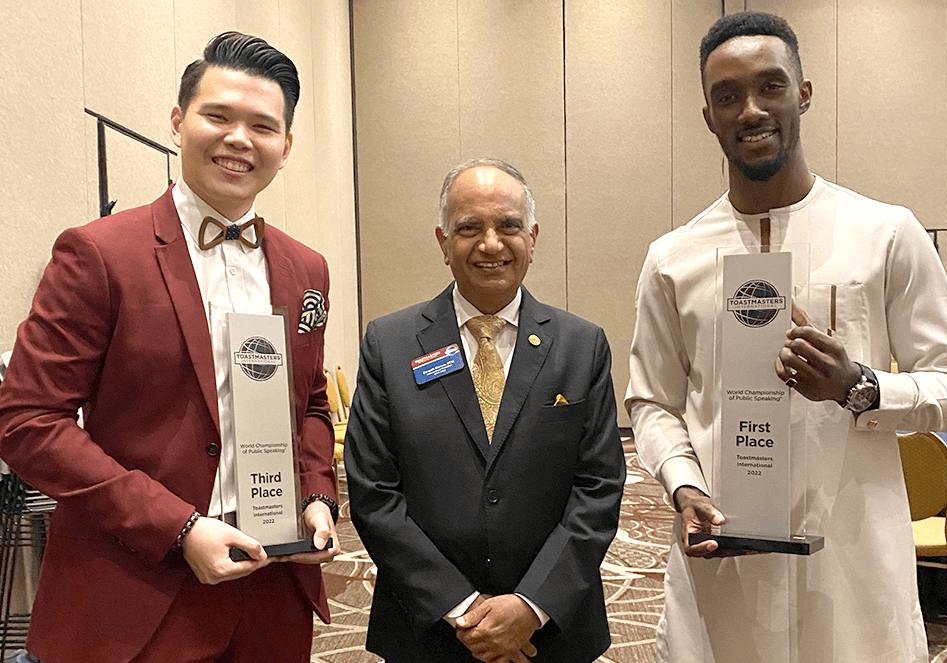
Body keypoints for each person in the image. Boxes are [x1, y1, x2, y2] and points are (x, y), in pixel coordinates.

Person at [625, 11, 947, 663]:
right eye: (727, 96)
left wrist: (861, 386)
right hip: (722, 566)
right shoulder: (673, 259)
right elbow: (651, 402)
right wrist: (683, 484)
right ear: (708, 116)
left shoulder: (885, 235)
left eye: (771, 86)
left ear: (804, 93)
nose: (751, 109)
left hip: (849, 569)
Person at [0, 32, 340, 663]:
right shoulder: (99, 254)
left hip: (270, 598)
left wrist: (317, 494)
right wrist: (177, 527)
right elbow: (27, 421)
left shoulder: (307, 269)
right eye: (218, 116)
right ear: (180, 122)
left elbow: (311, 402)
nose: (240, 139)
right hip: (133, 597)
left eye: (263, 126)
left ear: (286, 148)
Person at [345, 158, 626, 663]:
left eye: (509, 226)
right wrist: (462, 607)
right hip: (428, 628)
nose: (491, 243)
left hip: (551, 630)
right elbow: (373, 492)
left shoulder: (582, 346)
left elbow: (599, 486)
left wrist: (530, 606)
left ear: (533, 238)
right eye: (469, 227)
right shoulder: (388, 344)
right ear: (443, 242)